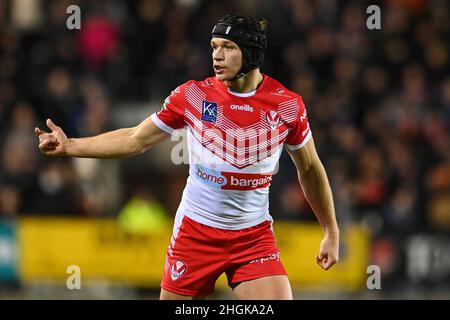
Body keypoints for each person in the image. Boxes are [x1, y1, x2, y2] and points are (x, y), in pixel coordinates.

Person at [35, 14, 339, 300]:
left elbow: (310, 169)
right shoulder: (193, 96)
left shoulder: (287, 105)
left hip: (253, 237)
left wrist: (330, 231)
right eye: (214, 47)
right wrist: (71, 145)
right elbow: (134, 139)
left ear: (252, 54)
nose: (216, 56)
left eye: (228, 47)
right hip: (196, 233)